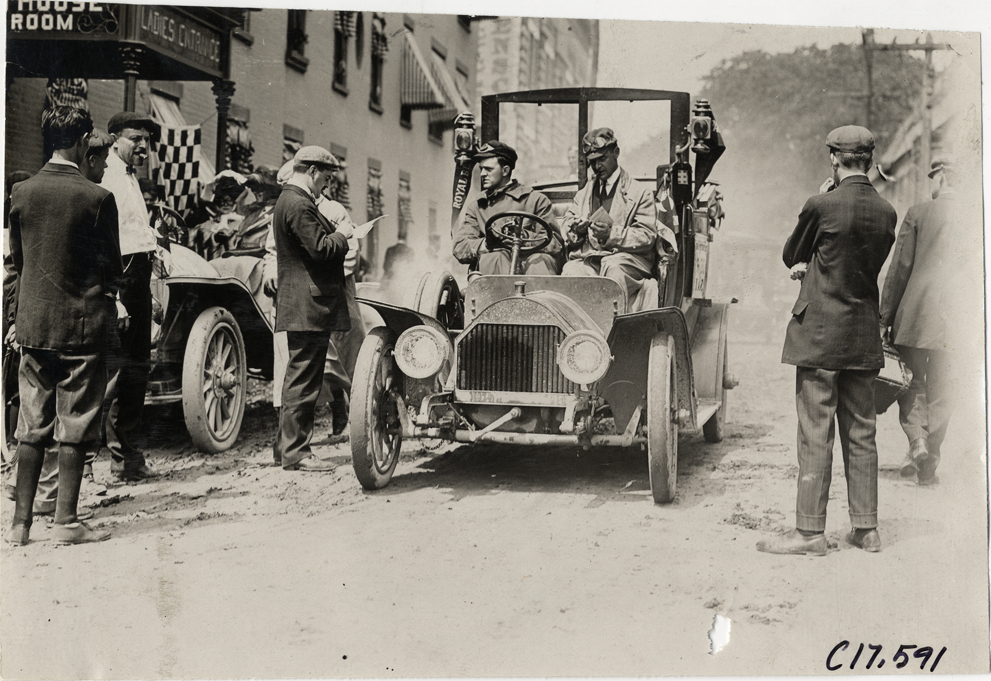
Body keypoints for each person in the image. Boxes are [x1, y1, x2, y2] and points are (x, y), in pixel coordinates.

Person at [757, 125, 896, 556]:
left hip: (819, 336)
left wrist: (809, 257)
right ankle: (866, 529)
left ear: (834, 159)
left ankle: (810, 533)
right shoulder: (887, 212)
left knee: (815, 434)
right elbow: (853, 264)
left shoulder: (821, 204)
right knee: (862, 434)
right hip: (861, 335)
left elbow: (791, 253)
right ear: (870, 161)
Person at [6, 106, 123, 545]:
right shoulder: (97, 198)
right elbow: (112, 268)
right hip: (80, 326)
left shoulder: (21, 193)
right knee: (75, 421)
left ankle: (20, 526)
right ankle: (66, 523)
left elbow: (20, 263)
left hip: (34, 323)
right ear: (81, 141)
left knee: (31, 424)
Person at [880, 159, 958, 485]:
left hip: (913, 318)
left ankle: (917, 441)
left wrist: (885, 316)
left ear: (941, 177)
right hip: (955, 323)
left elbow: (899, 269)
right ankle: (928, 470)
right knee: (942, 392)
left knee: (911, 383)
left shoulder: (918, 213)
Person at [272, 147, 349, 472]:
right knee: (304, 380)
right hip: (309, 304)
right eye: (325, 179)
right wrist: (344, 235)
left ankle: (285, 448)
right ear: (314, 172)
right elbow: (320, 250)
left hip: (301, 302)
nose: (325, 186)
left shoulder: (288, 200)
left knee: (297, 377)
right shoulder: (300, 204)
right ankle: (297, 453)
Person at [99, 111, 162, 482]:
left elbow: (134, 230)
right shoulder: (105, 175)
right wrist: (116, 297)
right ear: (114, 139)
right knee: (108, 372)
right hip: (116, 281)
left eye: (146, 141)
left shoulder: (132, 179)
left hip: (137, 278)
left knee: (137, 370)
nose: (143, 146)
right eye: (135, 138)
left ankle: (128, 459)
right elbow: (102, 242)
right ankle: (88, 464)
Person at [560, 128, 656, 307]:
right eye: (592, 162)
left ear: (616, 153)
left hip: (627, 259)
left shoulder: (640, 193)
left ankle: (616, 330)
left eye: (602, 159)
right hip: (590, 259)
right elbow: (566, 224)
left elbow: (647, 236)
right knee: (571, 270)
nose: (597, 167)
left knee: (613, 269)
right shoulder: (582, 195)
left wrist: (612, 234)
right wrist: (576, 230)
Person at [453, 141, 563, 275]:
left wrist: (523, 236)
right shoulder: (477, 206)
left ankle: (537, 296)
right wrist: (488, 243)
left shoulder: (536, 200)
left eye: (488, 169)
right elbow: (460, 247)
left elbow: (556, 244)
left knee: (538, 261)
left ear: (505, 170)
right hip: (497, 267)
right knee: (494, 258)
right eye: (481, 168)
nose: (482, 174)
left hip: (530, 267)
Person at [315, 176, 367, 439]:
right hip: (310, 297)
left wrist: (326, 276)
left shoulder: (334, 210)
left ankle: (363, 412)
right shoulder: (293, 207)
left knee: (348, 351)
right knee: (324, 356)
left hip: (338, 293)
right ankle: (337, 406)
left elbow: (351, 251)